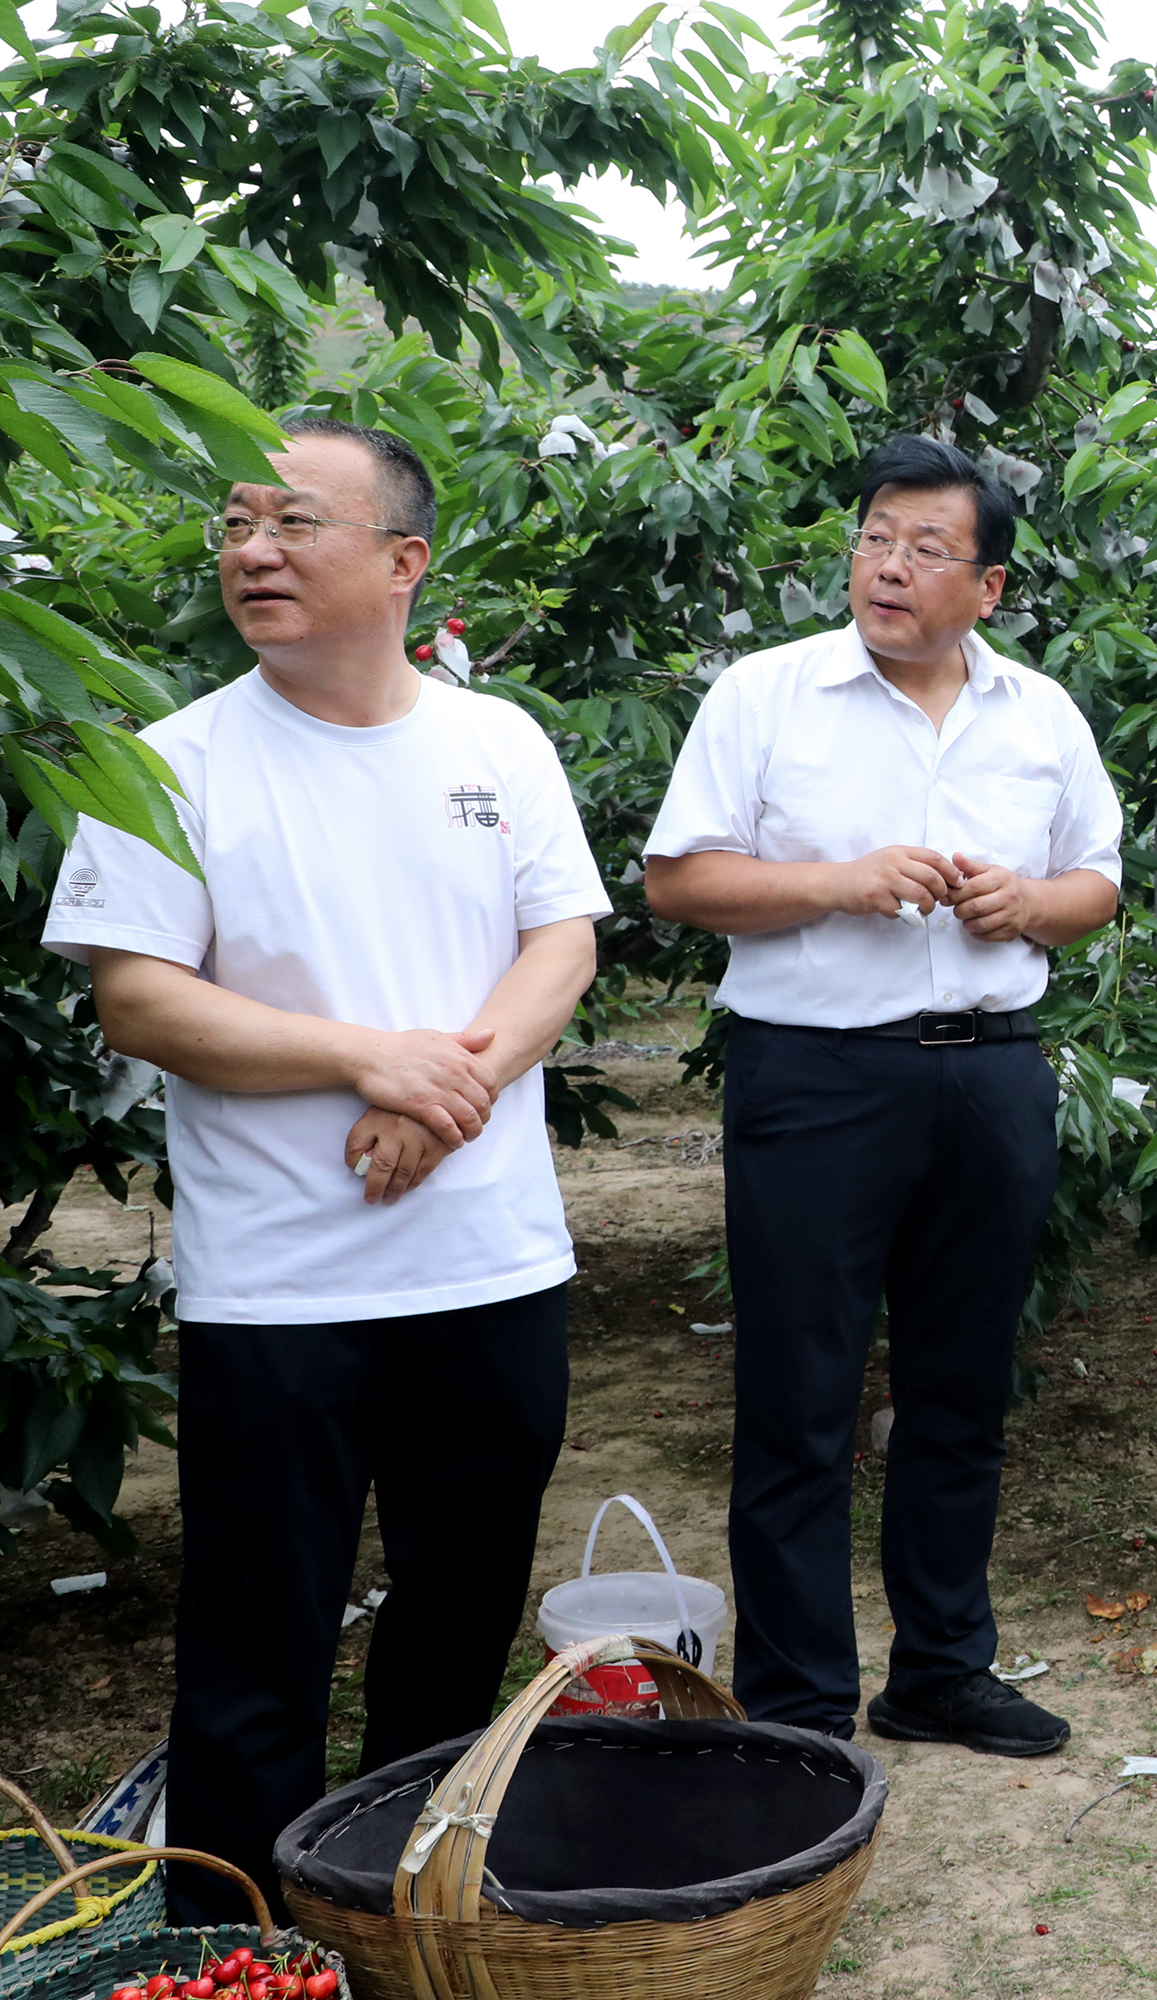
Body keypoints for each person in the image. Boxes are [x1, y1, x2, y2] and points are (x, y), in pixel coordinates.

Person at [43, 420, 606, 1919]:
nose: (251, 551)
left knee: (458, 1622)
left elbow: (561, 946)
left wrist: (444, 1088)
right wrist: (371, 1059)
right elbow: (141, 998)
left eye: (293, 522)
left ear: (404, 561)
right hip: (282, 1287)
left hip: (490, 1263)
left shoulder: (499, 743)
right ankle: (235, 1942)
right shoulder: (170, 763)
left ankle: (408, 1914)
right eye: (236, 524)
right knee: (256, 1643)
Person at [643, 434, 1122, 1757]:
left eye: (926, 548)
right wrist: (840, 881)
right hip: (819, 1078)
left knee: (961, 1388)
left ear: (991, 585)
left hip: (993, 1073)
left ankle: (943, 1668)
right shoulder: (768, 694)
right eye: (875, 540)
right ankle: (800, 1704)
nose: (890, 567)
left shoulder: (1040, 714)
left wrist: (1032, 904)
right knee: (799, 1397)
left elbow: (1098, 879)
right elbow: (677, 879)